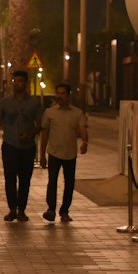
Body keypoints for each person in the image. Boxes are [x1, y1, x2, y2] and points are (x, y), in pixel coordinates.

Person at [0, 69, 44, 222]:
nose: (18, 84)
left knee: (25, 179)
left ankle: (22, 209)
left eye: (21, 81)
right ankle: (12, 209)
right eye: (15, 81)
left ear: (26, 83)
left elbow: (41, 124)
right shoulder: (5, 102)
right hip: (9, 145)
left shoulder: (35, 103)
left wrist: (30, 134)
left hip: (28, 147)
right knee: (10, 178)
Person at [39, 81, 88, 223]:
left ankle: (64, 211)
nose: (60, 96)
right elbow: (45, 134)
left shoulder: (77, 113)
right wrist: (42, 155)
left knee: (69, 183)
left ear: (68, 95)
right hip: (54, 153)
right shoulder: (49, 112)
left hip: (70, 154)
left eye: (63, 94)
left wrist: (85, 142)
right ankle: (51, 209)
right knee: (52, 181)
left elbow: (83, 129)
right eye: (58, 93)